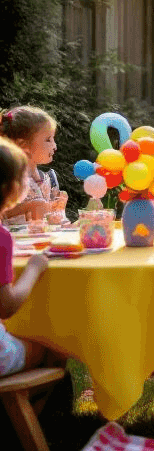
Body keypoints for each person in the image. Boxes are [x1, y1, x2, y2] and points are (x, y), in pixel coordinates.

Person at [0, 139, 50, 376]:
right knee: (50, 349)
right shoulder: (1, 238)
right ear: (11, 188)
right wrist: (34, 268)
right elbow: (6, 307)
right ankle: (41, 412)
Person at [0, 107, 67, 226]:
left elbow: (47, 220)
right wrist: (29, 206)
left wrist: (56, 210)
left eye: (53, 139)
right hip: (12, 242)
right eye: (48, 140)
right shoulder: (8, 177)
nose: (55, 146)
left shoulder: (48, 179)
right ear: (23, 144)